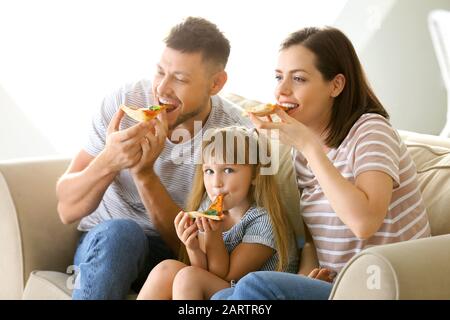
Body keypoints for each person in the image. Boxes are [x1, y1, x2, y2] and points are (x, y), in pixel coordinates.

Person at [212, 26, 431, 300]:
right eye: (279, 77)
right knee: (221, 299)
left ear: (336, 85)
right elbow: (312, 241)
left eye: (299, 79)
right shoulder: (303, 151)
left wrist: (308, 146)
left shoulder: (371, 131)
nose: (282, 90)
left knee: (254, 285)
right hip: (335, 287)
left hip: (384, 287)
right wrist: (306, 274)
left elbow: (364, 222)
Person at [56, 17, 253, 299]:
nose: (161, 89)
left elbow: (194, 249)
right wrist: (111, 159)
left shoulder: (233, 136)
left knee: (171, 265)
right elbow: (66, 209)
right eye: (160, 72)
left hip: (175, 254)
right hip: (106, 244)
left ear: (216, 83)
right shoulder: (124, 103)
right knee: (123, 234)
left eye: (181, 79)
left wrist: (144, 174)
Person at [136, 126, 299, 300]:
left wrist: (213, 234)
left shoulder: (264, 222)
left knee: (188, 279)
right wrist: (192, 246)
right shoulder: (207, 207)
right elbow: (202, 271)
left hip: (252, 296)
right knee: (166, 269)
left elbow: (227, 278)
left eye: (228, 170)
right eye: (209, 171)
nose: (216, 183)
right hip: (216, 287)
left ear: (255, 175)